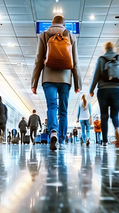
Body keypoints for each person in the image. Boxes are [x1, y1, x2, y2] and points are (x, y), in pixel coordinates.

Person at [31, 14, 81, 151]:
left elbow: (38, 60)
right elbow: (75, 62)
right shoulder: (70, 36)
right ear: (64, 25)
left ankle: (53, 131)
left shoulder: (44, 35)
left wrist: (34, 83)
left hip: (48, 77)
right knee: (63, 111)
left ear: (52, 23)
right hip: (65, 79)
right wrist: (78, 83)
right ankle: (62, 140)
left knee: (52, 106)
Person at [90, 41, 119, 148]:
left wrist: (91, 89)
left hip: (103, 90)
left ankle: (104, 141)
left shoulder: (101, 59)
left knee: (104, 116)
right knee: (115, 115)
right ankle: (117, 129)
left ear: (105, 49)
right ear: (113, 48)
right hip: (117, 90)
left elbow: (96, 75)